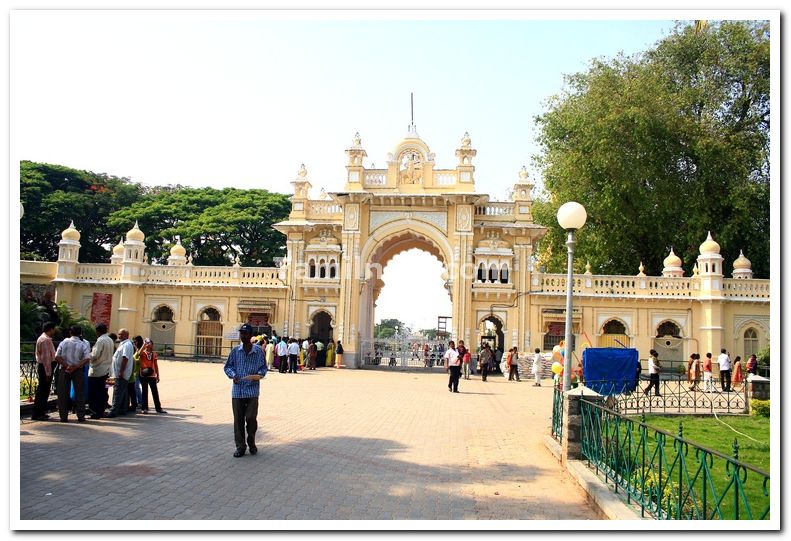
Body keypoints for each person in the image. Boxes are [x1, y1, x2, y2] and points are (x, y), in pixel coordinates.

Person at [223, 324, 268, 458]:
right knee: (238, 420)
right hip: (238, 391)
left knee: (251, 418)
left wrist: (259, 375)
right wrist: (233, 375)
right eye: (241, 334)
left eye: (246, 334)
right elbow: (227, 367)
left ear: (250, 335)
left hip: (252, 391)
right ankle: (240, 446)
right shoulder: (235, 351)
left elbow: (263, 368)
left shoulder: (258, 351)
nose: (243, 336)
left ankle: (251, 441)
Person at [54, 325, 91, 422]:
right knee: (80, 393)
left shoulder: (64, 342)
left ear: (70, 332)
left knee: (63, 393)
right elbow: (87, 358)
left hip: (65, 369)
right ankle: (81, 416)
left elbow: (57, 356)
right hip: (78, 370)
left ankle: (63, 416)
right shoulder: (83, 344)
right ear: (80, 333)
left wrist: (67, 366)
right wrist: (75, 366)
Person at [31, 322, 57, 421]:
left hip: (44, 366)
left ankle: (41, 412)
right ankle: (38, 413)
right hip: (45, 367)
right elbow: (46, 359)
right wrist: (48, 373)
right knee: (43, 391)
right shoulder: (45, 340)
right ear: (50, 329)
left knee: (44, 391)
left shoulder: (43, 338)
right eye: (53, 329)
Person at [88, 323, 114, 419]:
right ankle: (102, 411)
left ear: (98, 331)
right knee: (104, 392)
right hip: (108, 371)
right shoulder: (110, 340)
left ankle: (96, 412)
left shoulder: (100, 340)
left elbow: (95, 355)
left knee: (95, 392)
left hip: (98, 371)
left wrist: (86, 355)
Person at [106, 329, 134, 418]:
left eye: (121, 334)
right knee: (123, 392)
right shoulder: (124, 344)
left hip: (121, 373)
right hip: (119, 373)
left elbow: (125, 358)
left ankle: (113, 411)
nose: (119, 336)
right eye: (119, 334)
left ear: (127, 335)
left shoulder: (127, 345)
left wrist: (121, 371)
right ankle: (122, 409)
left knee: (117, 392)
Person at [138, 338, 166, 414]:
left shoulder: (154, 354)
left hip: (152, 375)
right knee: (144, 391)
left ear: (152, 345)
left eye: (150, 343)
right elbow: (138, 354)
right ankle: (144, 408)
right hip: (143, 374)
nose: (148, 344)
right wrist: (143, 345)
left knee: (155, 391)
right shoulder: (143, 353)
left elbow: (156, 365)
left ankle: (158, 408)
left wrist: (158, 375)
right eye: (147, 343)